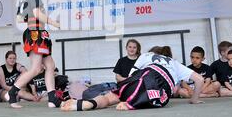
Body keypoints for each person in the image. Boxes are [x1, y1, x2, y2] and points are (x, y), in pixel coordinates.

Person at [60, 46, 204, 111]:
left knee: (112, 97)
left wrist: (124, 90)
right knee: (153, 97)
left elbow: (131, 76)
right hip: (158, 82)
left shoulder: (146, 56)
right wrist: (194, 99)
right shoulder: (175, 63)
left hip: (141, 76)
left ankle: (87, 103)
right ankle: (131, 104)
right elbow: (199, 79)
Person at [6, 0, 61, 108]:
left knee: (50, 65)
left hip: (38, 34)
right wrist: (52, 21)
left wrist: (35, 20)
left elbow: (20, 18)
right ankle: (13, 92)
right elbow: (36, 14)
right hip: (36, 34)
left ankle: (52, 98)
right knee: (36, 69)